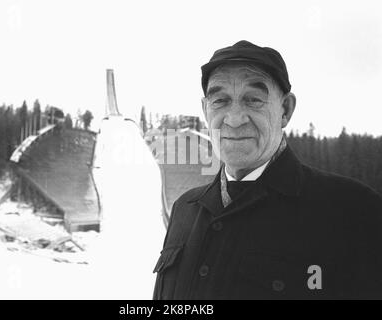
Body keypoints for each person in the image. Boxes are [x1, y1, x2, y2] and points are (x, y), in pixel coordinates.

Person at [153, 40, 382, 300]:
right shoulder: (185, 209)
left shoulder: (351, 211)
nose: (235, 118)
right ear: (205, 110)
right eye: (220, 100)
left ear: (285, 110)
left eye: (254, 100)